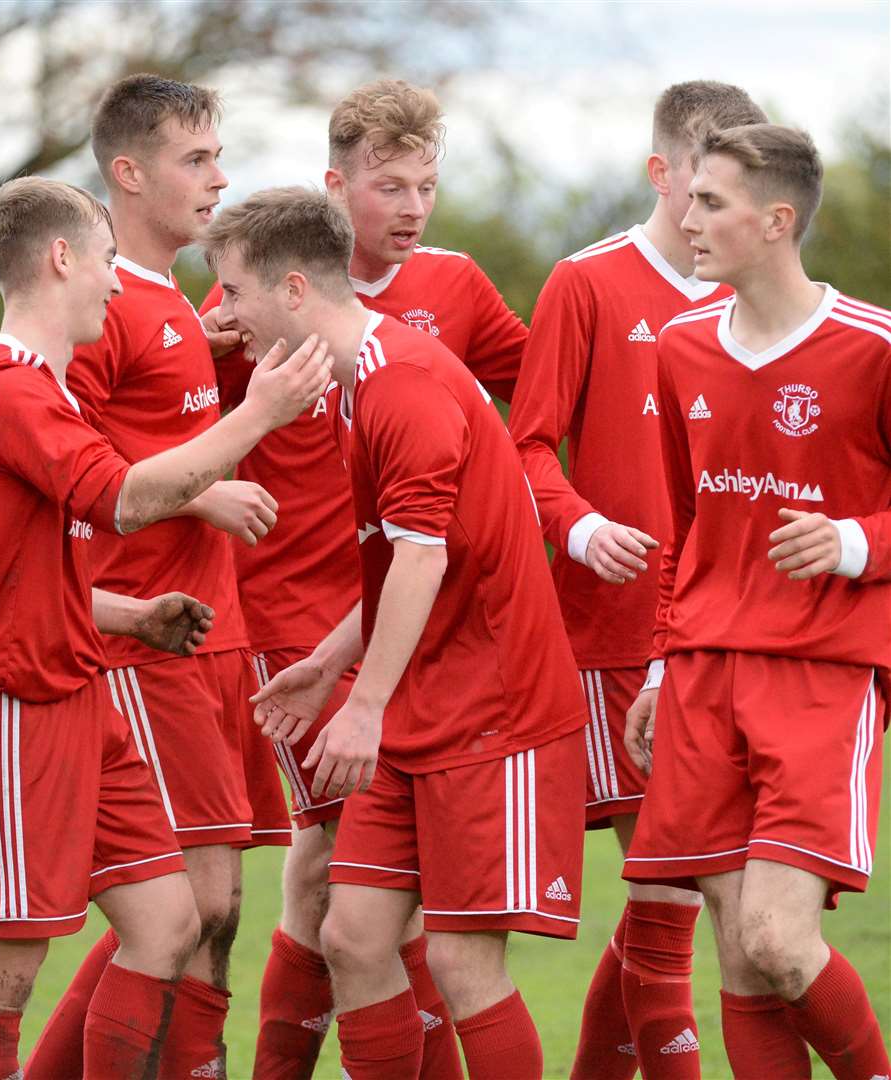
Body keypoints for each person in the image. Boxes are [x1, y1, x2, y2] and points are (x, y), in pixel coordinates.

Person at [0, 176, 330, 1079]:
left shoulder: (57, 394)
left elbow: (33, 575)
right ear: (61, 258)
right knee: (5, 967)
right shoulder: (4, 391)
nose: (117, 285)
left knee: (169, 924)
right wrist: (255, 416)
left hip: (83, 693)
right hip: (13, 707)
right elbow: (122, 499)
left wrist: (132, 613)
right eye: (107, 261)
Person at [212, 187, 588, 1080]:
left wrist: (363, 707)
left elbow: (423, 563)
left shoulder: (404, 387)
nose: (222, 318)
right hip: (419, 708)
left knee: (462, 963)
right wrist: (325, 666)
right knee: (351, 936)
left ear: (293, 289)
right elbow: (401, 562)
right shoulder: (354, 387)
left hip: (494, 713)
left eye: (231, 293)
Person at [23, 74, 291, 1079]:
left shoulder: (177, 303)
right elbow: (67, 475)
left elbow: (152, 431)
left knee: (211, 911)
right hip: (144, 638)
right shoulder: (91, 311)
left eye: (219, 156)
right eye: (197, 160)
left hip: (212, 632)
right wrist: (200, 492)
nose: (219, 179)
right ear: (127, 174)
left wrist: (214, 363)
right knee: (180, 909)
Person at [508, 80, 766, 1079]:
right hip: (612, 636)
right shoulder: (586, 282)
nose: (717, 206)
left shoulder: (758, 297)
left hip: (731, 636)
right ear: (660, 172)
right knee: (678, 890)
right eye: (703, 181)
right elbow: (521, 449)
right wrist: (577, 529)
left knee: (697, 896)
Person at [623, 123, 891, 1080]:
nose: (685, 219)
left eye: (709, 202)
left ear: (775, 221)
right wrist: (660, 663)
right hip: (701, 671)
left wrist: (856, 541)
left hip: (824, 671)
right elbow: (685, 528)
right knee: (739, 954)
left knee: (779, 943)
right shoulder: (682, 347)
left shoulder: (872, 348)